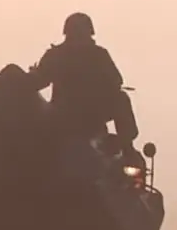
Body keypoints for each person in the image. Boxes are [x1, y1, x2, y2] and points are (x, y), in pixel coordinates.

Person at [26, 12, 138, 150]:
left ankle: (126, 148)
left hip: (90, 117)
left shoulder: (96, 55)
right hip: (64, 119)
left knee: (121, 98)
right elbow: (39, 81)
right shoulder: (60, 55)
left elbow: (116, 82)